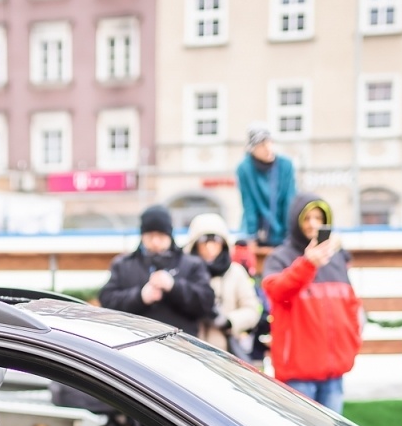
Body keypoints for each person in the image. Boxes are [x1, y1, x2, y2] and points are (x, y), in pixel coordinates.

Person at [262, 193, 364, 412]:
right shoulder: (279, 257)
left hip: (334, 373)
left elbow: (352, 307)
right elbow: (276, 292)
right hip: (297, 376)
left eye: (319, 218)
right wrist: (307, 264)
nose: (313, 225)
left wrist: (351, 346)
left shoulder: (337, 258)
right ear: (296, 221)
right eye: (307, 218)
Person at [98, 204, 215, 336]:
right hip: (132, 345)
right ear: (142, 236)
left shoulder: (192, 264)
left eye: (160, 235)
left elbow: (206, 303)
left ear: (170, 235)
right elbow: (107, 300)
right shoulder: (123, 264)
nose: (155, 241)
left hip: (182, 346)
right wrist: (140, 297)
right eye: (150, 235)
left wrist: (174, 286)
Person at [185, 212, 262, 354]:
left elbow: (252, 309)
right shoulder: (185, 271)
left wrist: (228, 321)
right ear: (195, 243)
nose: (209, 247)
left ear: (224, 243)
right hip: (188, 351)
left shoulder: (235, 272)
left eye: (215, 241)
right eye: (204, 241)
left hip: (223, 356)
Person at [238, 122, 298, 246]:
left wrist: (290, 233)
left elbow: (290, 200)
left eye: (270, 142)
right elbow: (249, 204)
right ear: (252, 148)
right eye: (262, 145)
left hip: (283, 232)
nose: (268, 148)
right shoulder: (245, 169)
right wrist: (251, 235)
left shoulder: (285, 165)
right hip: (259, 232)